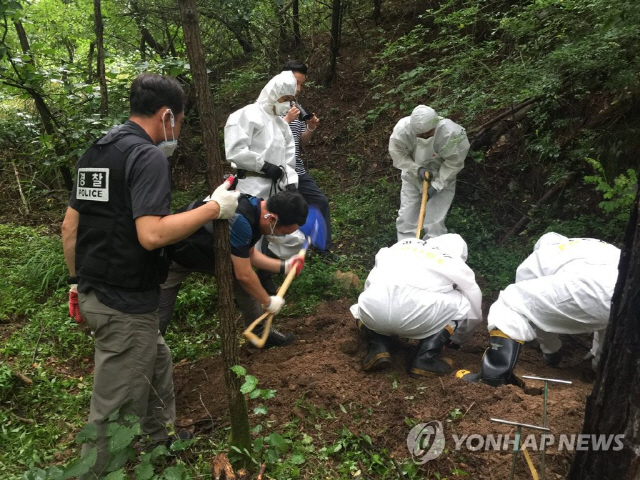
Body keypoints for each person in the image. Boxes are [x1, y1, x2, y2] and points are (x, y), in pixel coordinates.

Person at [61, 73, 240, 478]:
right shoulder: (148, 157)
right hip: (124, 301)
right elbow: (152, 234)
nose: (176, 129)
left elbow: (70, 227)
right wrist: (214, 209)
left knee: (157, 361)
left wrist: (75, 284)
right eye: (178, 120)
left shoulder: (98, 151)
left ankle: (160, 445)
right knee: (116, 408)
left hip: (96, 290)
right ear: (167, 116)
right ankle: (97, 471)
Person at [457, 233, 621, 387]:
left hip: (583, 289)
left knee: (510, 302)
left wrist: (551, 352)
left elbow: (534, 312)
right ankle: (600, 371)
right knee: (611, 323)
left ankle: (492, 377)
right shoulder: (595, 246)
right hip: (628, 293)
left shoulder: (543, 255)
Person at [158, 190, 308, 347]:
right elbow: (244, 274)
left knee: (248, 287)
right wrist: (268, 301)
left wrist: (285, 266)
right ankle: (148, 352)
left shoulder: (256, 210)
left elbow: (249, 255)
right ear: (272, 219)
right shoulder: (240, 220)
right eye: (282, 233)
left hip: (210, 252)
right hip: (176, 254)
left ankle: (260, 334)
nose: (279, 236)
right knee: (159, 311)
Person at [350, 234, 482, 377]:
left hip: (374, 313)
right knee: (463, 301)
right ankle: (426, 358)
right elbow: (474, 302)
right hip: (420, 317)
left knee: (362, 305)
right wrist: (457, 339)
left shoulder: (397, 248)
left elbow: (371, 283)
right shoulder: (453, 261)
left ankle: (378, 344)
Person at [224, 70, 306, 292]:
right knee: (253, 235)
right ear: (272, 94)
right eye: (283, 99)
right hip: (251, 185)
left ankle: (268, 273)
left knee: (284, 232)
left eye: (290, 100)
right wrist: (262, 165)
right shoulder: (246, 115)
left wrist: (291, 185)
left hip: (276, 189)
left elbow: (289, 160)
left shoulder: (281, 125)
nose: (287, 104)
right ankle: (247, 282)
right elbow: (235, 151)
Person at [390, 105, 470, 241]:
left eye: (428, 133)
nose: (425, 137)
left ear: (435, 124)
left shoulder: (450, 133)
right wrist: (416, 169)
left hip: (442, 176)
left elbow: (454, 162)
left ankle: (433, 252)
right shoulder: (402, 131)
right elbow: (398, 155)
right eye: (420, 135)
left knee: (434, 221)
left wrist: (437, 185)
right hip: (412, 176)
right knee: (407, 217)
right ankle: (407, 249)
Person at [281, 60, 332, 253]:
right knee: (290, 212)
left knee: (320, 202)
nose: (299, 89)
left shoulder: (296, 106)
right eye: (297, 83)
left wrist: (310, 127)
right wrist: (286, 121)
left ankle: (323, 250)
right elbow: (269, 140)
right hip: (279, 173)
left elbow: (301, 142)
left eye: (301, 84)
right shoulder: (268, 107)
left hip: (298, 170)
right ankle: (289, 254)